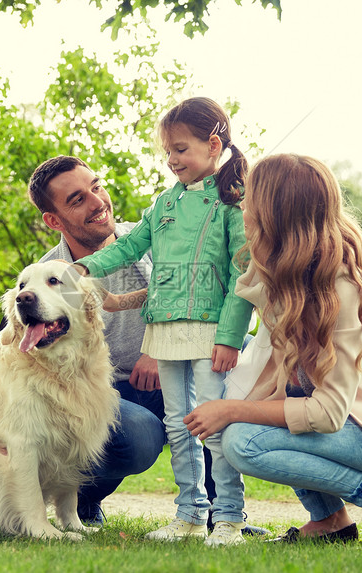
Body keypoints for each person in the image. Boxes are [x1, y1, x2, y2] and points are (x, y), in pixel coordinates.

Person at [183, 153, 362, 545]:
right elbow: (278, 366)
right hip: (357, 422)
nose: (242, 207)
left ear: (276, 214)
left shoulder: (341, 288)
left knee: (243, 442)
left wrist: (231, 411)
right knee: (256, 415)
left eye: (250, 200)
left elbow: (327, 412)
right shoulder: (292, 271)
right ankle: (330, 521)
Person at [73, 97, 254, 546]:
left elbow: (241, 278)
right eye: (168, 152)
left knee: (211, 423)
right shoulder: (163, 205)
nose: (172, 160)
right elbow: (125, 246)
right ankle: (189, 514)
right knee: (178, 425)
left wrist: (231, 337)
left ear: (213, 146)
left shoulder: (233, 206)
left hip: (212, 333)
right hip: (165, 330)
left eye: (181, 149)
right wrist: (86, 268)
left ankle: (228, 517)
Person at [27, 155, 166, 528]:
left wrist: (156, 347)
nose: (97, 202)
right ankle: (82, 498)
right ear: (53, 221)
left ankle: (222, 515)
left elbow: (190, 296)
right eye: (77, 199)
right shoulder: (48, 277)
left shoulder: (150, 240)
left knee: (241, 360)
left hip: (170, 368)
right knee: (139, 435)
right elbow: (30, 356)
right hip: (99, 393)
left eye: (96, 186)